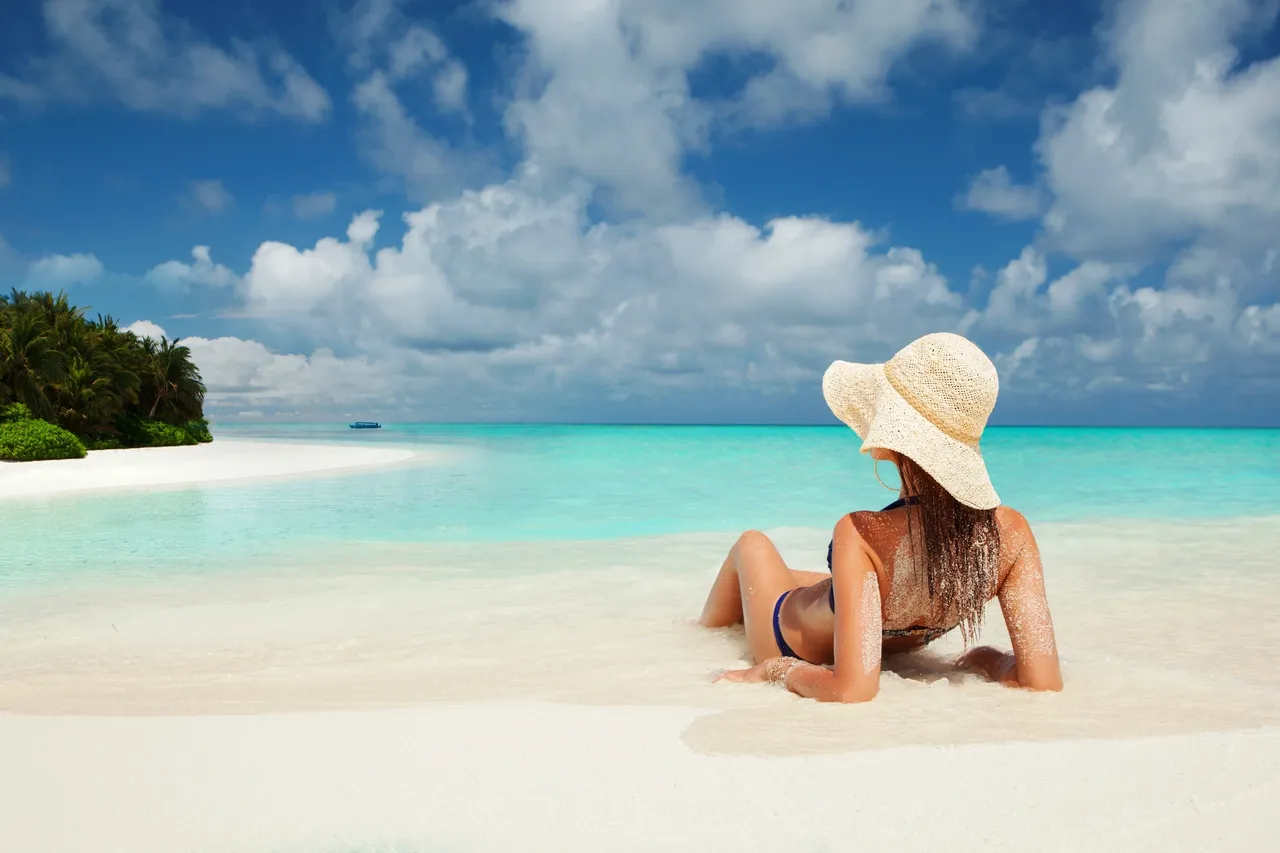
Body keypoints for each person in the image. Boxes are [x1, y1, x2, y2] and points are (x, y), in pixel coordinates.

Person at [700, 332, 1062, 703]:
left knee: (751, 544)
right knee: (819, 583)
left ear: (894, 436)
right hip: (874, 631)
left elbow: (852, 690)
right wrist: (989, 659)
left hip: (785, 640)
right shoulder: (1012, 535)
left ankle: (696, 636)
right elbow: (1043, 682)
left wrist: (776, 668)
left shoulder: (861, 534)